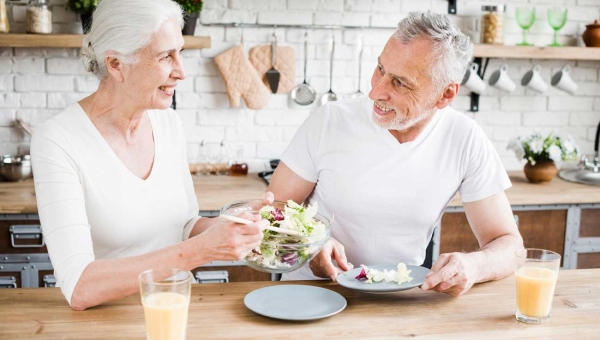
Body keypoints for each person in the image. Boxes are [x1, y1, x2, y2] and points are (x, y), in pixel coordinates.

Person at [30, 0, 267, 310]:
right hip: (108, 323)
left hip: (176, 309)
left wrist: (232, 224)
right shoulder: (58, 140)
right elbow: (79, 287)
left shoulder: (168, 123)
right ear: (116, 64)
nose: (181, 72)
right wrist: (204, 250)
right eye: (165, 56)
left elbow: (184, 226)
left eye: (180, 52)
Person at [267, 11, 524, 296]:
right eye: (380, 69)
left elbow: (510, 246)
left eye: (399, 83)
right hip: (313, 293)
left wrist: (475, 265)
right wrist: (308, 244)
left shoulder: (464, 138)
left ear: (446, 94)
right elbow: (269, 212)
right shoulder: (329, 121)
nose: (376, 92)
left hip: (401, 302)